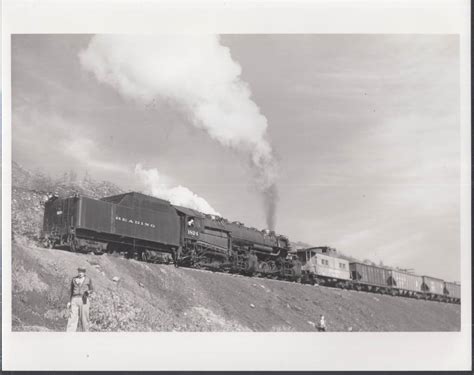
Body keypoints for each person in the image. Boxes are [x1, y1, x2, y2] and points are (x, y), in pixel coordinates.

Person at [66, 267, 93, 332]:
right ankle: (69, 335)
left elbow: (91, 289)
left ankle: (85, 334)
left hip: (84, 299)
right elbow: (71, 291)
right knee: (72, 318)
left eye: (82, 272)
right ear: (78, 272)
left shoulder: (88, 279)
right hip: (74, 299)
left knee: (84, 318)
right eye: (79, 271)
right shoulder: (74, 279)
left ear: (84, 272)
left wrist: (88, 292)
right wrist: (69, 301)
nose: (81, 273)